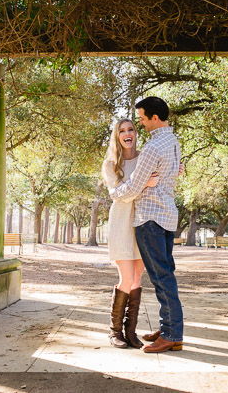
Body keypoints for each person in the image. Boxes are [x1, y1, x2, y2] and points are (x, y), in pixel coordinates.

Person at [108, 96, 184, 353]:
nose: (138, 125)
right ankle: (166, 329)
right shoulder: (173, 142)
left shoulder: (151, 149)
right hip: (162, 217)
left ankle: (171, 333)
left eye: (140, 119)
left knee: (161, 277)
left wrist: (121, 192)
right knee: (163, 274)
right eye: (125, 128)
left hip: (149, 218)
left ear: (154, 117)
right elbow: (166, 174)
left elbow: (135, 185)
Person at [101, 118, 159, 349]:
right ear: (117, 136)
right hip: (121, 222)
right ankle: (114, 331)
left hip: (143, 222)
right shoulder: (111, 164)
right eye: (122, 131)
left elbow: (160, 177)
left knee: (137, 278)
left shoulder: (145, 157)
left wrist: (176, 169)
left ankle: (130, 332)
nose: (127, 134)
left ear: (136, 133)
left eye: (131, 130)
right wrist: (144, 183)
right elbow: (117, 194)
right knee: (126, 278)